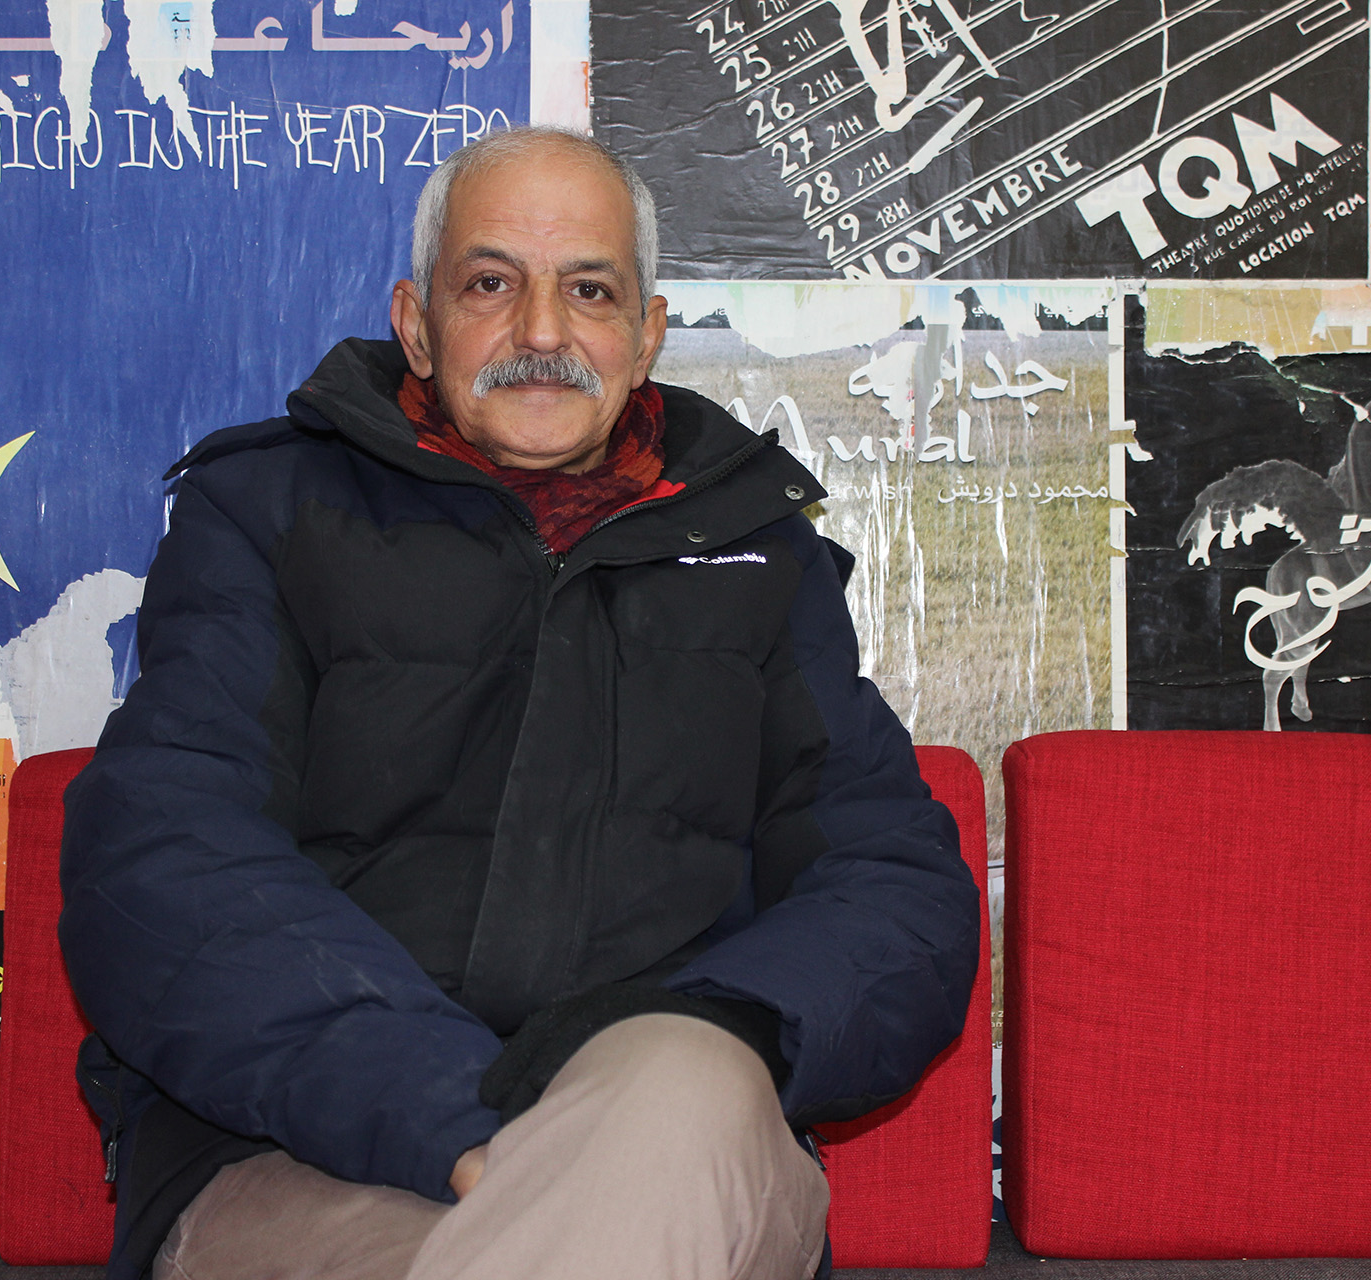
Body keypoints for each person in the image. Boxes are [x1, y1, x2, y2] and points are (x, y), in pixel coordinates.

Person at [58, 125, 980, 1280]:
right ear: (417, 324)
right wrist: (460, 1116)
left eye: (589, 289)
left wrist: (694, 1043)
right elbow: (162, 854)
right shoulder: (265, 512)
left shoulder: (761, 555)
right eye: (491, 284)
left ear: (645, 335)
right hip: (299, 1154)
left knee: (683, 1081)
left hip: (669, 1139)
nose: (543, 331)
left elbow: (895, 889)